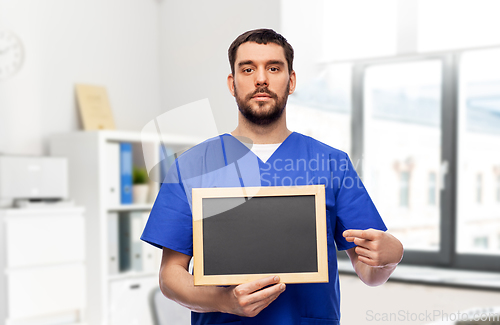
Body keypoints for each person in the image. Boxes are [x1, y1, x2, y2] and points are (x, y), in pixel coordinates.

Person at [141, 28, 404, 325]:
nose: (261, 78)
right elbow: (170, 276)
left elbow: (369, 272)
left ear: (290, 81)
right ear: (232, 83)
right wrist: (224, 301)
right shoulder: (191, 166)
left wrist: (391, 256)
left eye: (274, 68)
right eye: (248, 68)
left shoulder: (332, 163)